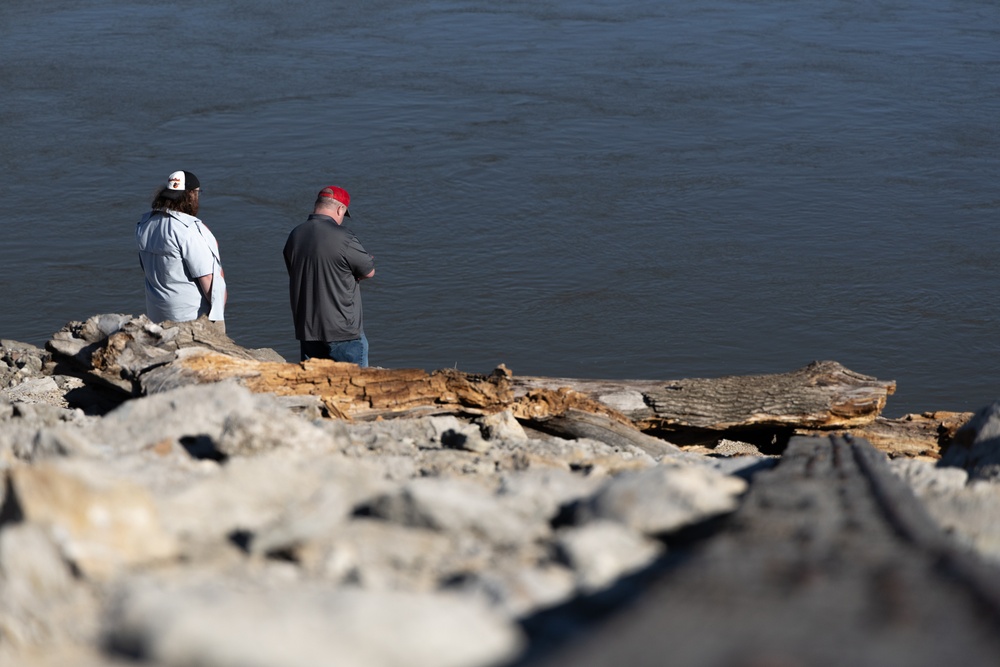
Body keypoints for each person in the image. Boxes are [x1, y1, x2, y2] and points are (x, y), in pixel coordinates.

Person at [283, 185, 375, 366]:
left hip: (307, 329)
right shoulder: (344, 237)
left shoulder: (295, 235)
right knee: (353, 387)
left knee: (315, 387)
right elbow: (369, 271)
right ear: (340, 209)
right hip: (342, 330)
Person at [136, 170, 227, 328]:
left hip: (157, 316)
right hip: (192, 320)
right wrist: (217, 316)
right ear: (191, 195)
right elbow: (208, 279)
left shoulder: (145, 224)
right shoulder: (190, 230)